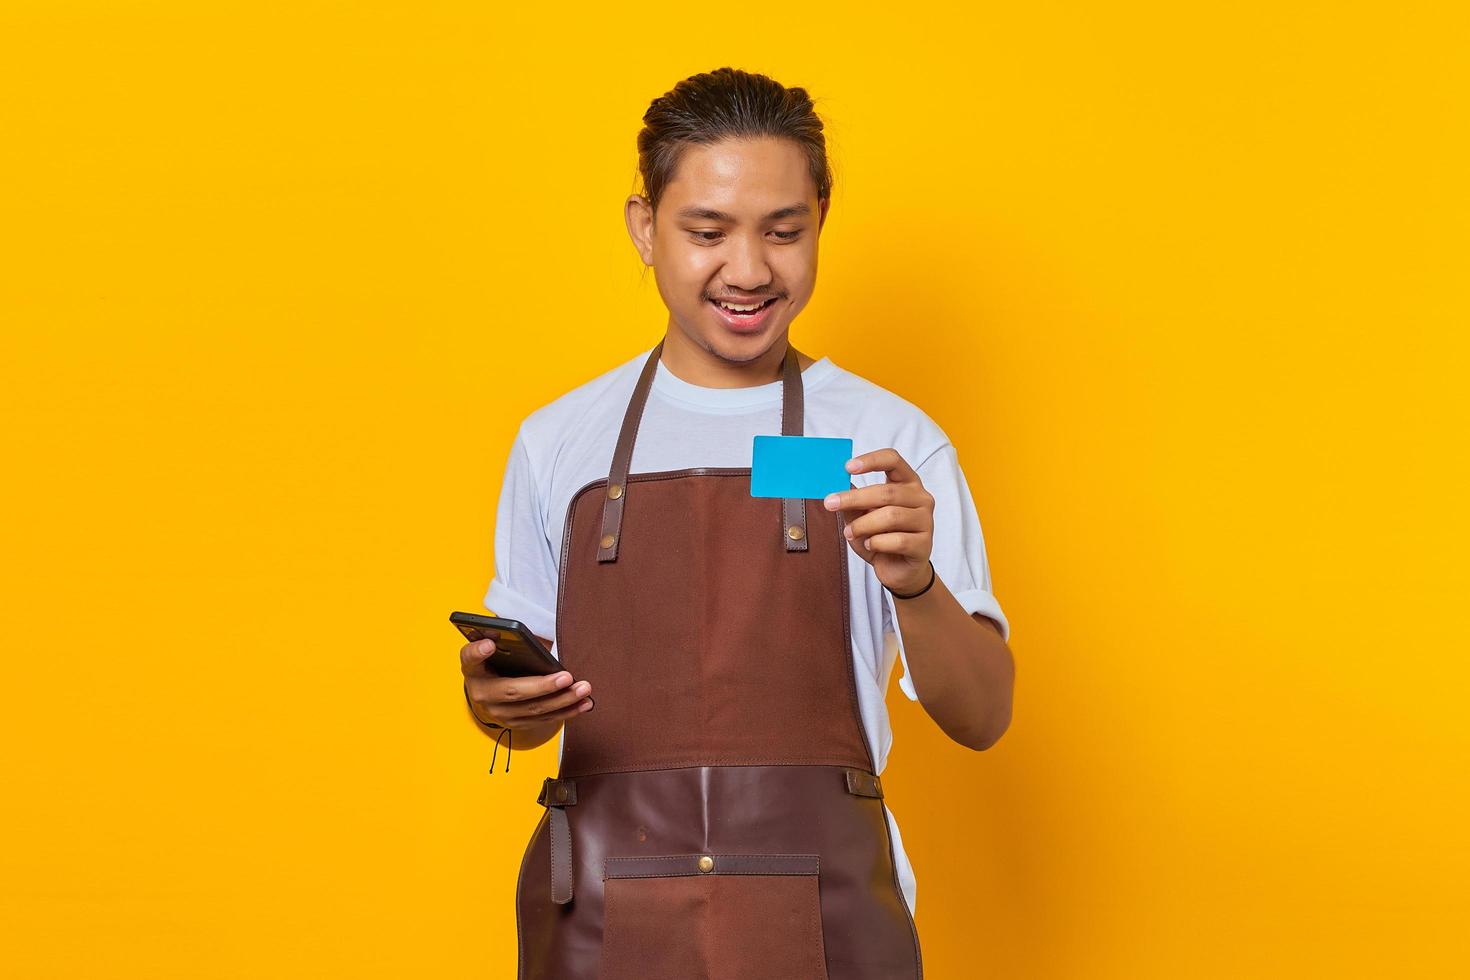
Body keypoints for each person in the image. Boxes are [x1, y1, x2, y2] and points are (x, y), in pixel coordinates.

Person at [458, 66, 1014, 980]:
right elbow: (523, 718)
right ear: (645, 227)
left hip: (829, 919)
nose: (749, 270)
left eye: (784, 231)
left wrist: (914, 583)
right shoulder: (560, 442)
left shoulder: (886, 441)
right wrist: (494, 706)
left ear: (823, 220)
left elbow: (983, 716)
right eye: (707, 232)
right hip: (600, 915)